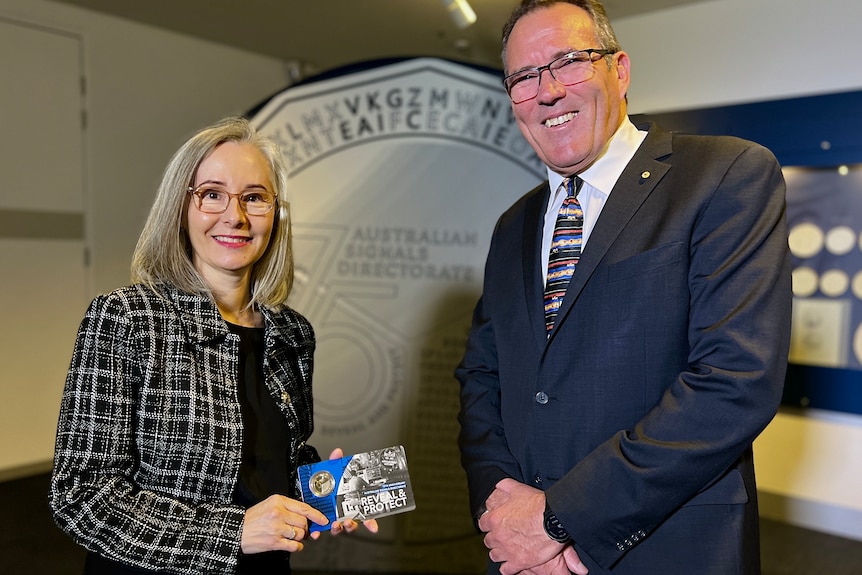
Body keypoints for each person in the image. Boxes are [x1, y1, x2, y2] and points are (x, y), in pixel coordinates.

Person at [455, 2, 792, 574]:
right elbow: (482, 378)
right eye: (523, 77)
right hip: (522, 557)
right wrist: (506, 514)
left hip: (666, 548)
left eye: (569, 61)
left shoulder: (725, 175)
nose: (548, 90)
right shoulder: (514, 224)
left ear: (621, 70)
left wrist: (559, 519)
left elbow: (735, 381)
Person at [50, 117, 376, 575]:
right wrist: (232, 533)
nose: (235, 216)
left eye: (254, 197)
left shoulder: (292, 333)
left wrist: (323, 489)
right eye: (212, 194)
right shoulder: (129, 319)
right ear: (180, 208)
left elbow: (268, 462)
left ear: (275, 213)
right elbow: (80, 495)